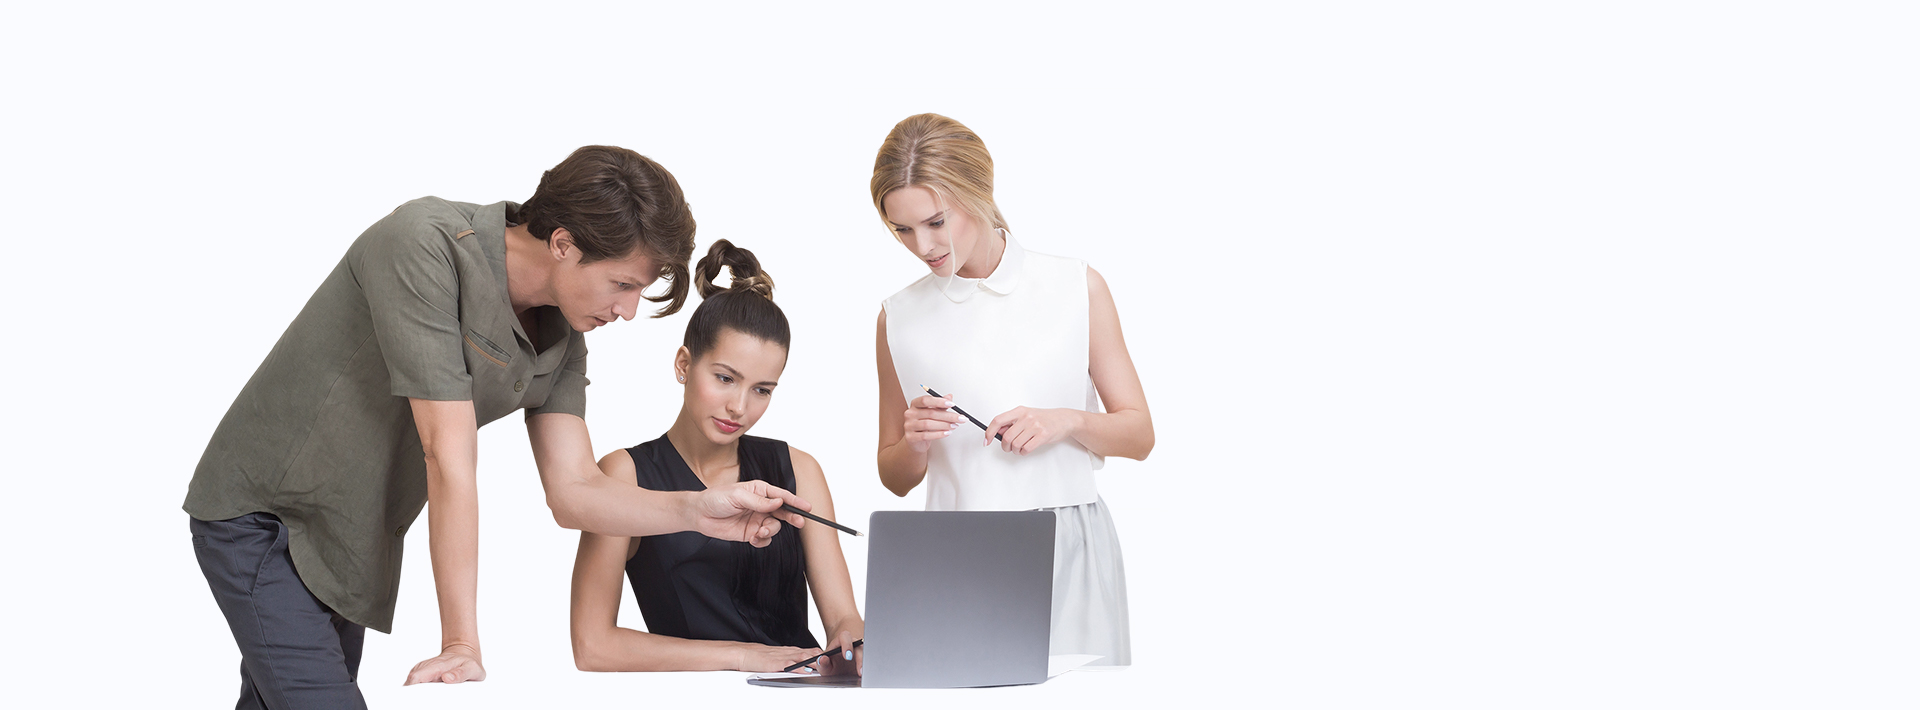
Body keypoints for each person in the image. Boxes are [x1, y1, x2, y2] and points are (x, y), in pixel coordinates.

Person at [183, 146, 811, 709]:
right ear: (562, 243)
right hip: (267, 517)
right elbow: (447, 456)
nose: (626, 311)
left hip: (349, 540)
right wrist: (461, 641)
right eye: (622, 285)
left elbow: (574, 493)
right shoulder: (425, 245)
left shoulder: (564, 330)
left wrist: (699, 510)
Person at [870, 114, 1153, 668]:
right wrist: (915, 442)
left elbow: (1140, 435)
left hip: (1068, 543)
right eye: (902, 230)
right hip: (953, 550)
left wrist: (1067, 421)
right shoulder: (897, 318)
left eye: (935, 222)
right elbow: (894, 476)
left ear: (979, 191)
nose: (922, 246)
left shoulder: (1076, 286)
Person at [570, 240, 864, 675]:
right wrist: (742, 657)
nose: (739, 407)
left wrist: (851, 641)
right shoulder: (624, 475)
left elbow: (844, 619)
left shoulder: (798, 470)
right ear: (683, 365)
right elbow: (593, 646)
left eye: (762, 389)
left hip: (801, 690)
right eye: (725, 378)